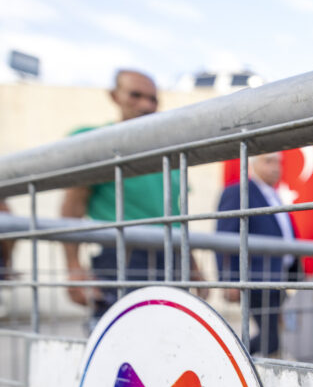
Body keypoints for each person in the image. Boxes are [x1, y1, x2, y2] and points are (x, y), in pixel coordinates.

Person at [60, 69, 205, 327]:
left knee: (170, 339)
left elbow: (177, 216)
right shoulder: (96, 141)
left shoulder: (169, 156)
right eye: (135, 95)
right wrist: (73, 267)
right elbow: (73, 206)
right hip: (120, 258)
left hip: (169, 257)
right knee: (119, 343)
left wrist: (193, 267)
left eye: (152, 99)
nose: (146, 105)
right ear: (115, 96)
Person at [216, 151, 299, 356]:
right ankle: (232, 359)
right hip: (255, 277)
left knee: (278, 334)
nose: (275, 167)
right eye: (268, 161)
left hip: (278, 278)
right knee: (270, 339)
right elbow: (224, 238)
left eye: (278, 162)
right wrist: (229, 280)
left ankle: (241, 361)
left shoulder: (275, 196)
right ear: (252, 165)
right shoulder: (239, 192)